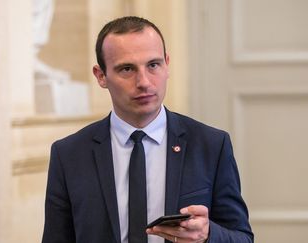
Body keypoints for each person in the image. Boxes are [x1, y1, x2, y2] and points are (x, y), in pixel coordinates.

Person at [42, 16, 254, 243]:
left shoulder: (211, 145)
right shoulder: (69, 154)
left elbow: (242, 238)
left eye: (153, 65)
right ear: (101, 76)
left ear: (167, 64)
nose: (144, 81)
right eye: (126, 69)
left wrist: (208, 234)